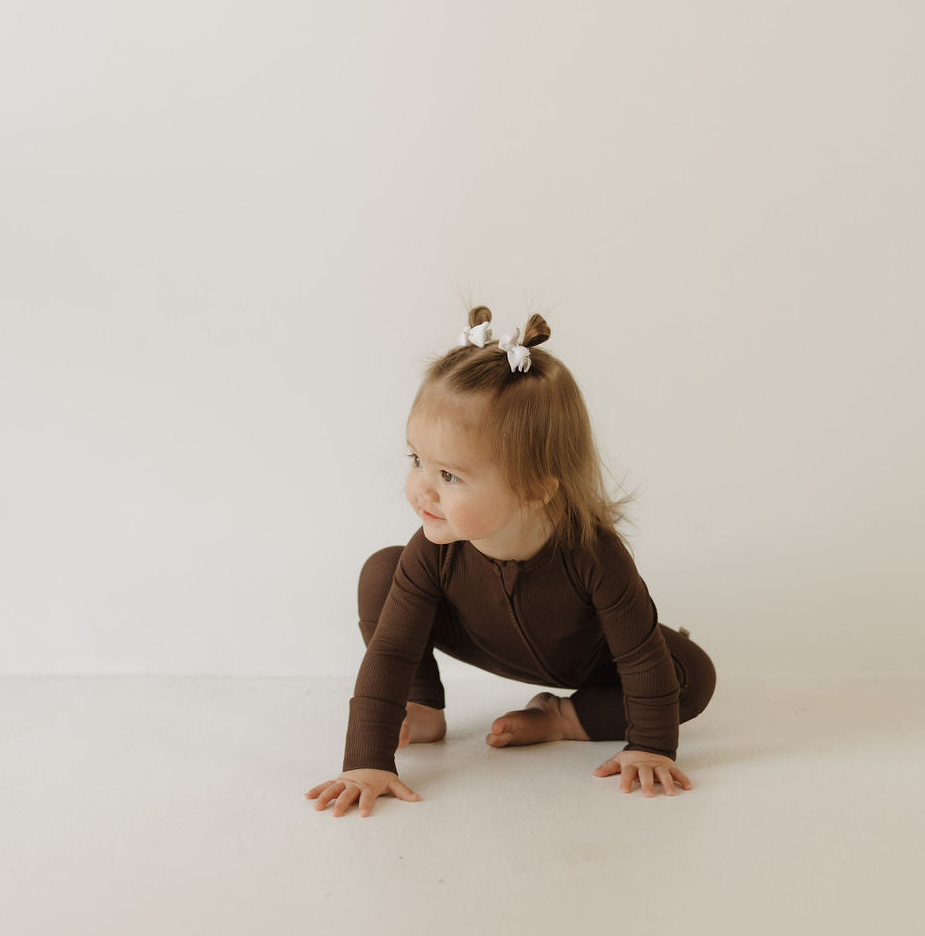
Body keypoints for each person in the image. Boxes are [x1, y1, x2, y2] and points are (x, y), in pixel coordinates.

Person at [306, 304, 716, 819]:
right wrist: (367, 761)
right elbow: (389, 653)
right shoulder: (432, 551)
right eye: (417, 461)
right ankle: (423, 708)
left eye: (449, 475)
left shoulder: (595, 554)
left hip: (593, 658)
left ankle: (564, 718)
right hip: (480, 633)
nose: (420, 489)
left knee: (692, 678)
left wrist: (652, 745)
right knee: (381, 573)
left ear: (534, 488)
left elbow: (637, 656)